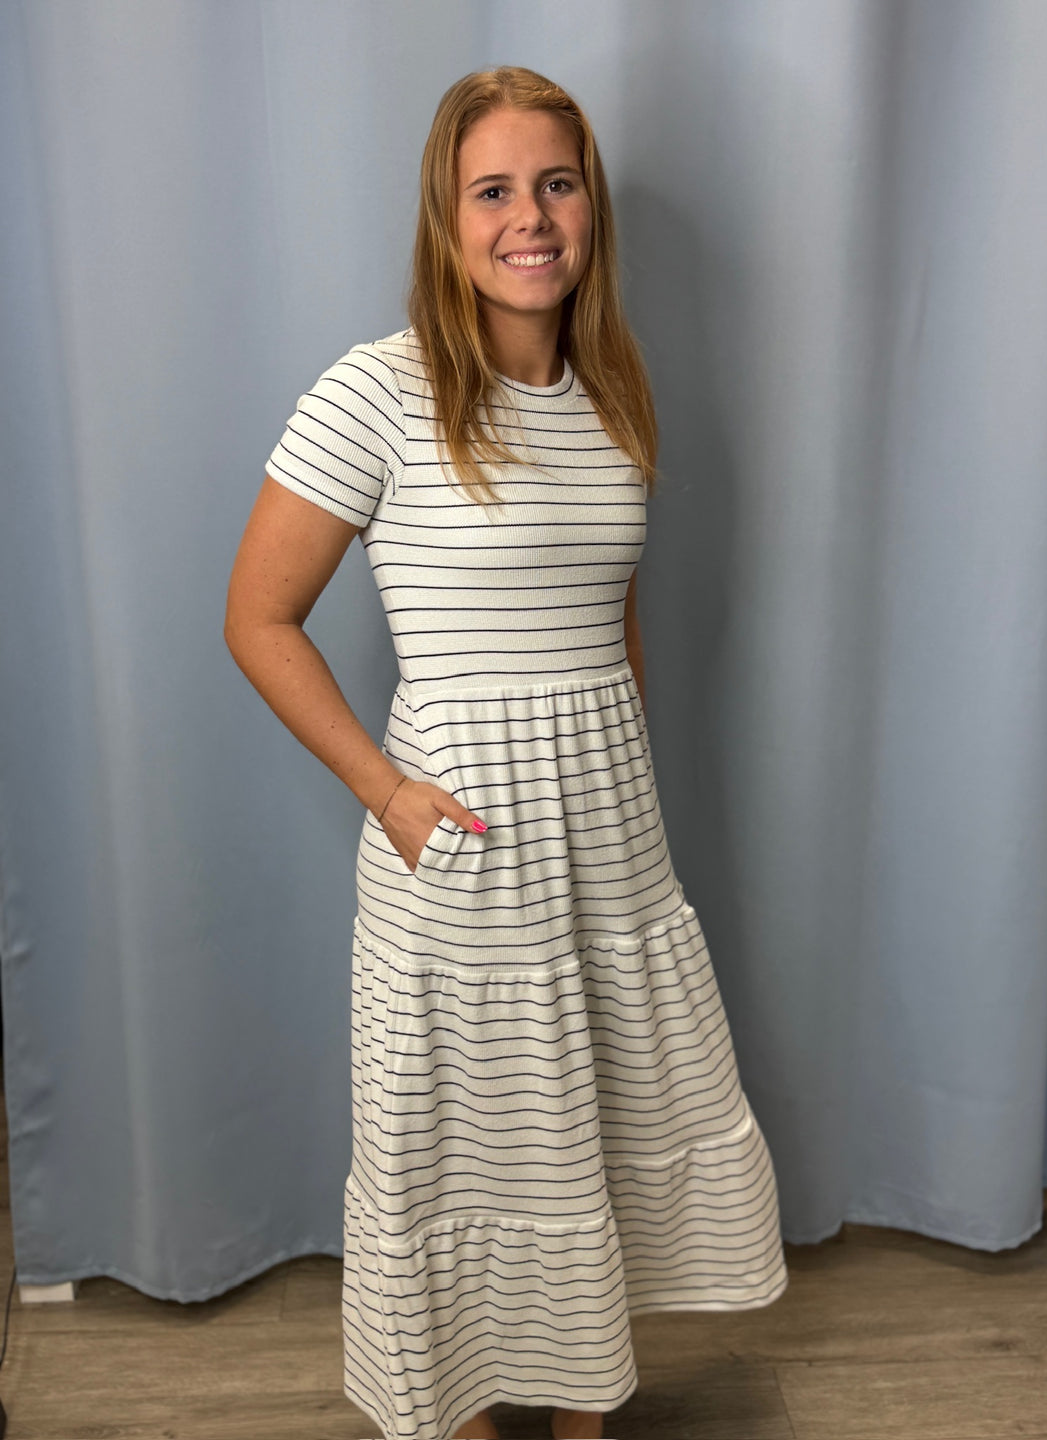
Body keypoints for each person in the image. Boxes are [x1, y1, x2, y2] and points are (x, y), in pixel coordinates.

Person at [225, 65, 788, 1440]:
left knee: (582, 1138)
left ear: (588, 203)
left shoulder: (615, 392)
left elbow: (615, 623)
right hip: (460, 847)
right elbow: (257, 618)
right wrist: (388, 794)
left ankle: (587, 1413)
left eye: (556, 181)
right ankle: (465, 1420)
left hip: (607, 843)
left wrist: (629, 797)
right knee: (466, 1162)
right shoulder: (379, 390)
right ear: (448, 216)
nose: (529, 216)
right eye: (494, 190)